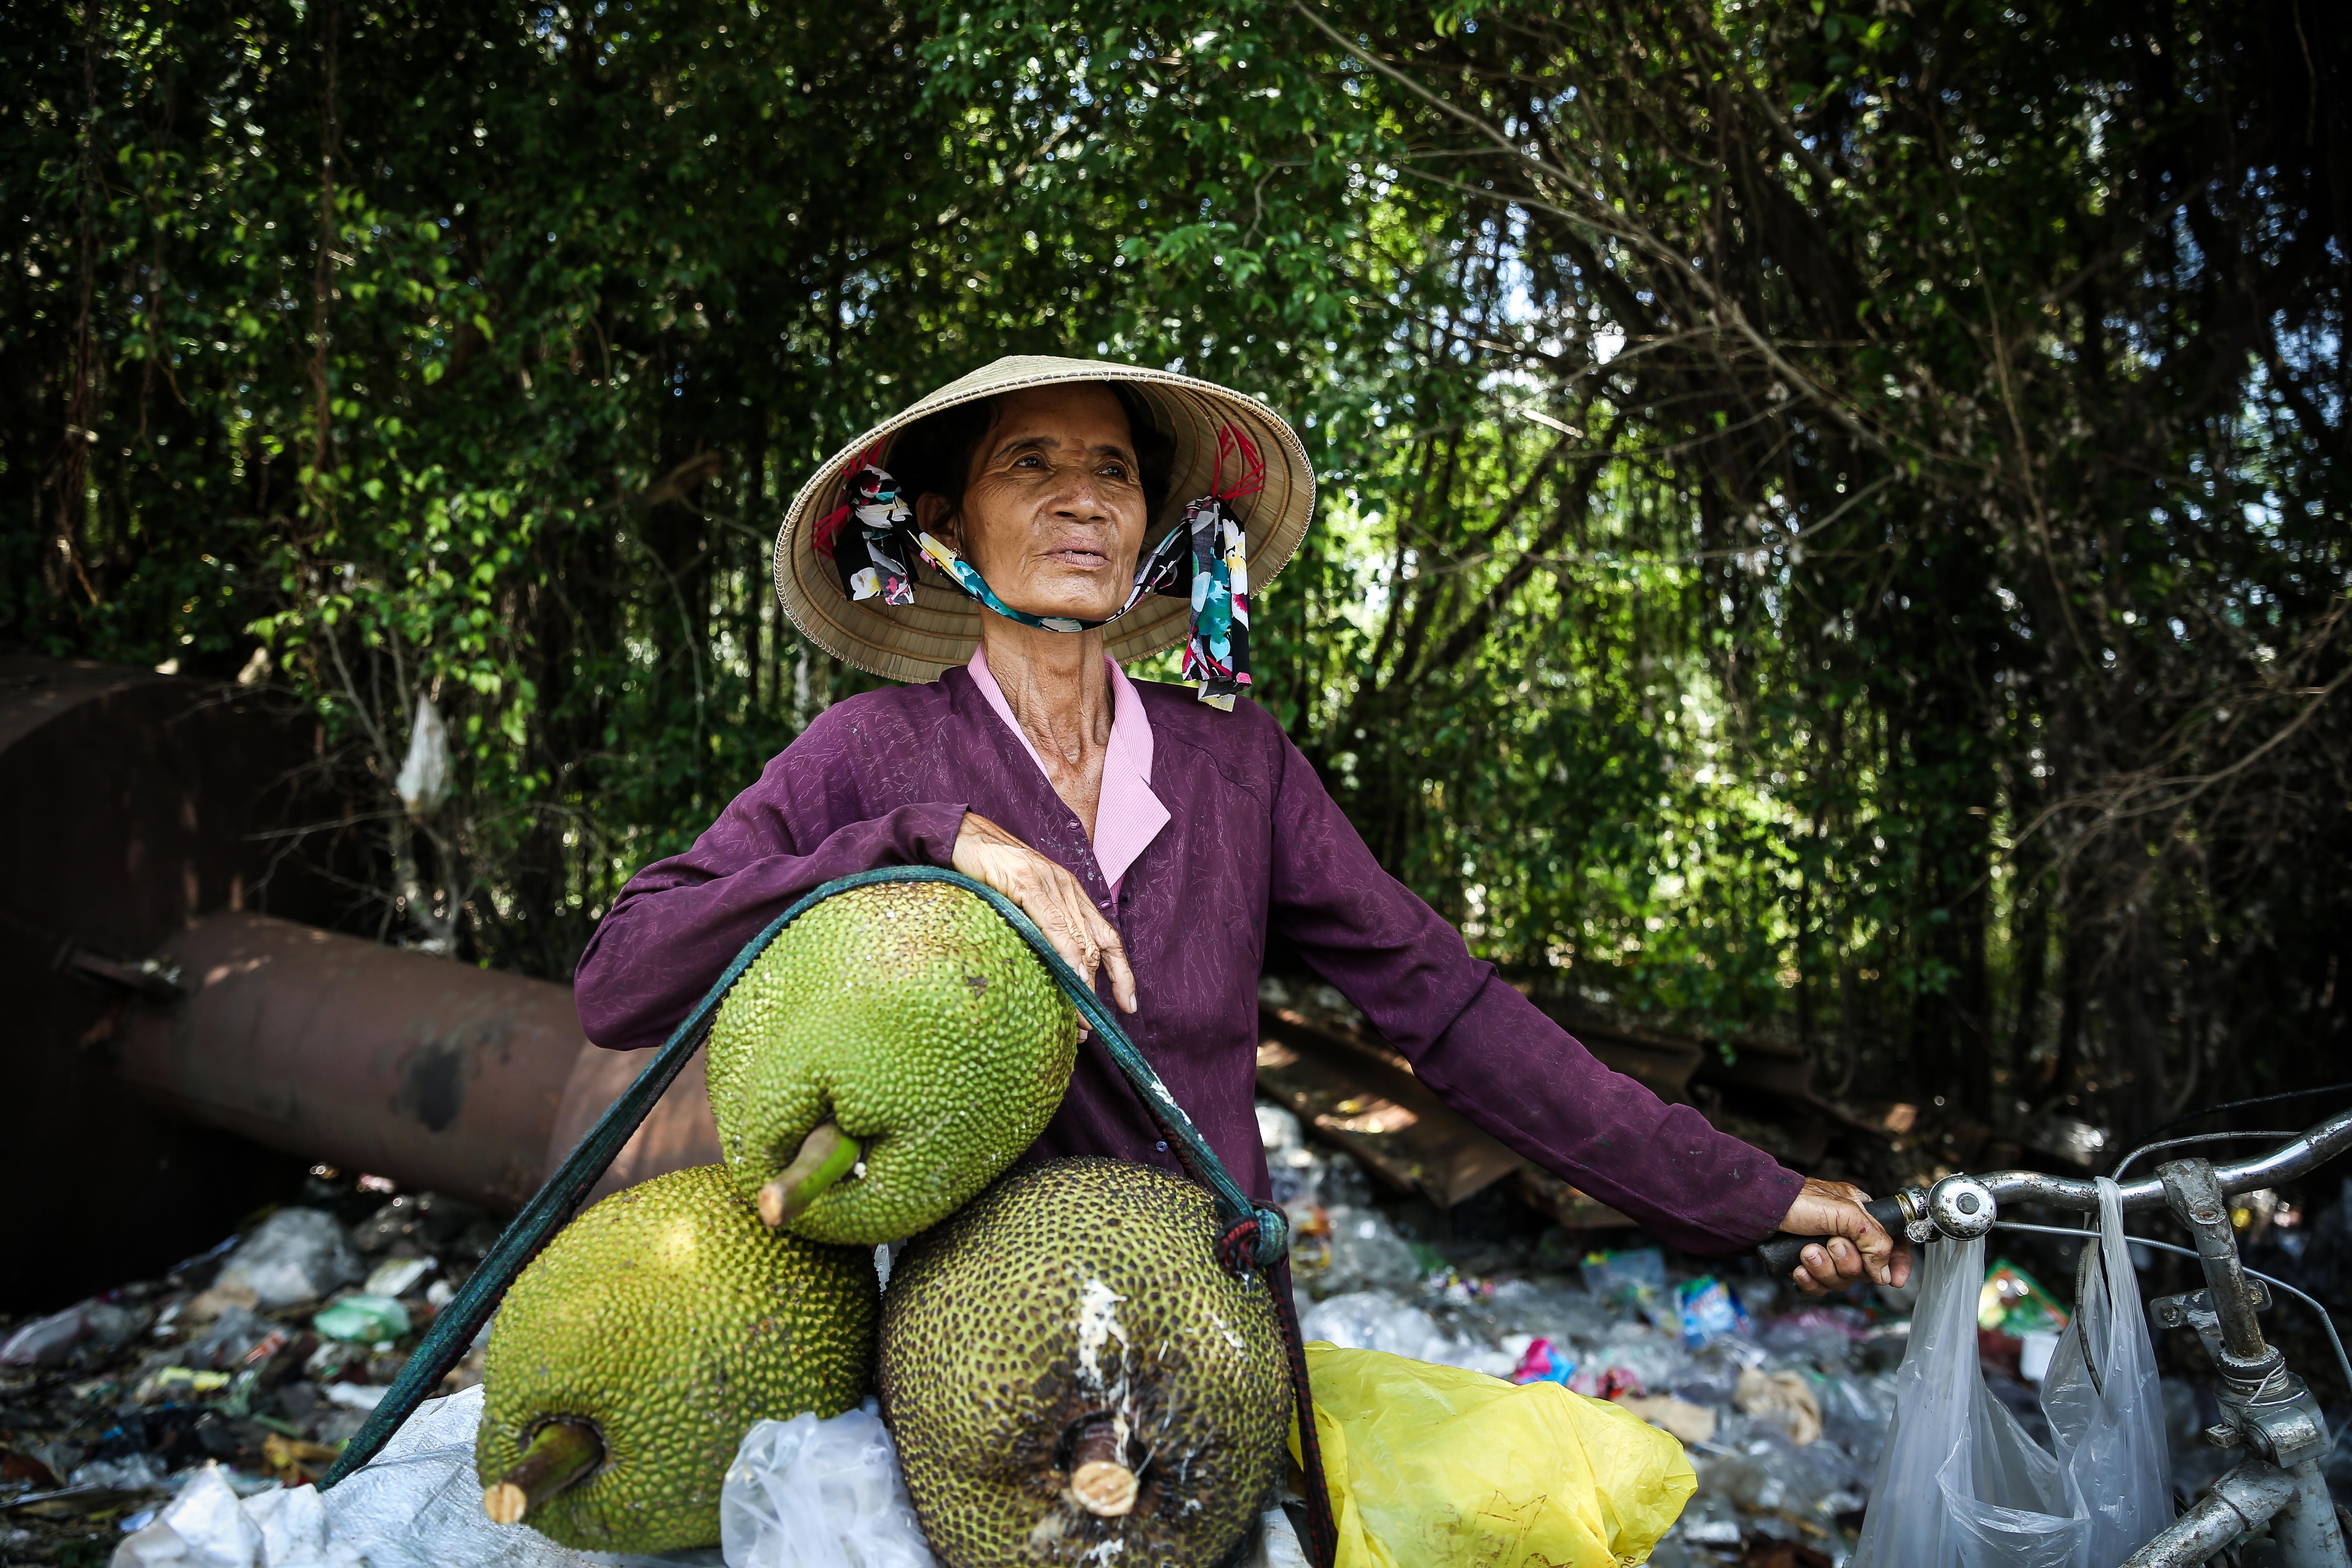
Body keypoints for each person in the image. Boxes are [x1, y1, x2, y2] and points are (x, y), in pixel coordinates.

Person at [572, 355, 1909, 1297]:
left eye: (1111, 470)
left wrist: (1744, 1190)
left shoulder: (1237, 766)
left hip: (1214, 1320)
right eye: (1027, 463)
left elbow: (1446, 1010)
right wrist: (928, 837)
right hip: (970, 1361)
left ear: (1155, 526)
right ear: (943, 523)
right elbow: (622, 977)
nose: (1081, 497)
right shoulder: (873, 756)